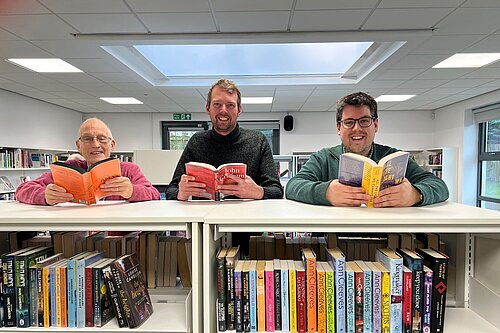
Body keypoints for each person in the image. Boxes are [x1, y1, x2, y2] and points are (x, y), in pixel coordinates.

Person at [285, 92, 449, 207]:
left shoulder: (394, 157)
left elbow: (439, 186)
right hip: (332, 238)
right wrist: (326, 192)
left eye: (364, 121)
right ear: (338, 127)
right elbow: (293, 186)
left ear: (375, 124)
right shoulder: (323, 158)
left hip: (386, 239)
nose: (357, 129)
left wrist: (415, 194)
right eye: (349, 122)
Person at [165, 78, 283, 201]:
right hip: (204, 217)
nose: (223, 110)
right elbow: (170, 190)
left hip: (246, 217)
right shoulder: (197, 141)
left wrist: (258, 191)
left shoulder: (258, 141)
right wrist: (180, 193)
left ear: (239, 110)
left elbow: (277, 190)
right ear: (207, 108)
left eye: (230, 105)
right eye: (217, 104)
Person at [16, 118, 160, 205]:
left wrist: (132, 190)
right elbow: (22, 190)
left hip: (117, 238)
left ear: (112, 144)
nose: (95, 144)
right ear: (78, 145)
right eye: (87, 139)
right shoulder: (67, 169)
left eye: (102, 138)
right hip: (75, 237)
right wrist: (44, 196)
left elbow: (154, 194)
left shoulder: (129, 169)